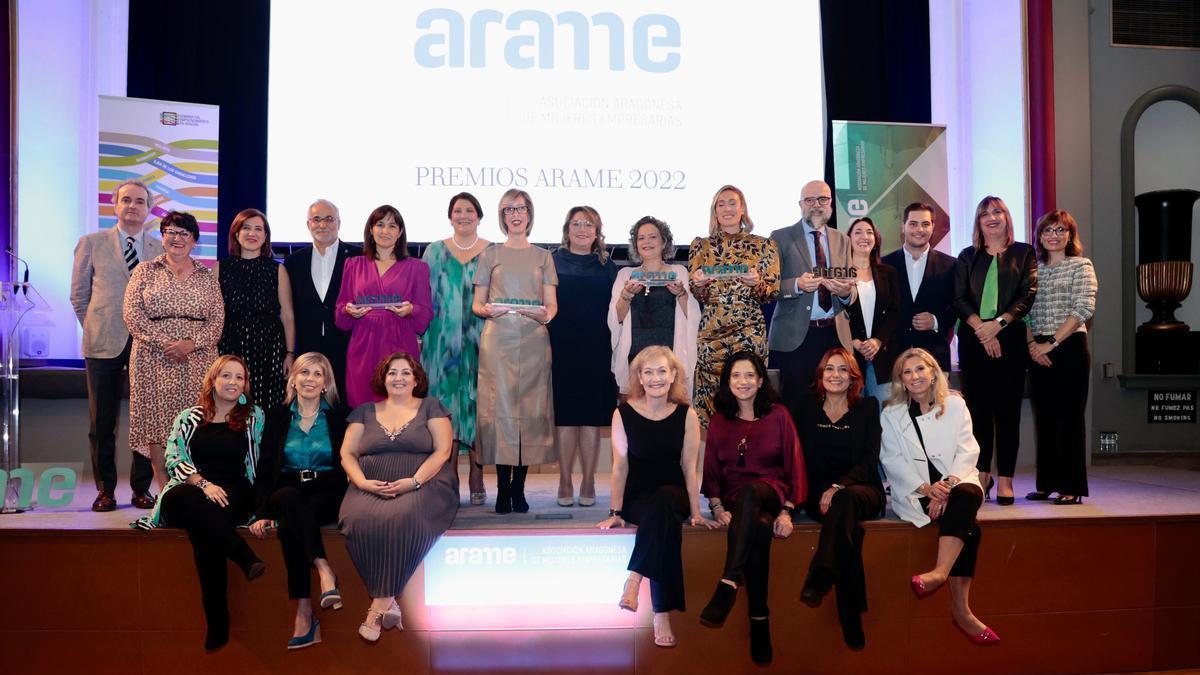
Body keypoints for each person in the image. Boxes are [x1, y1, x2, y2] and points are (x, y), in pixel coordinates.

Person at [132, 355, 266, 651]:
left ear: (245, 384)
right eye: (226, 376)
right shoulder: (189, 417)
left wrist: (260, 505)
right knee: (186, 498)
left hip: (233, 491)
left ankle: (217, 621)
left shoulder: (253, 416)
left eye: (239, 377)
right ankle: (243, 555)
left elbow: (257, 462)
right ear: (213, 381)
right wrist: (203, 483)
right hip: (192, 487)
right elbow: (173, 458)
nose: (233, 382)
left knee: (204, 529)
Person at [597, 346, 716, 649]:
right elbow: (619, 466)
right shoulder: (622, 413)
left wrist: (696, 512)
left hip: (673, 493)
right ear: (638, 376)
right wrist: (615, 510)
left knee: (664, 502)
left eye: (662, 371)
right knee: (661, 521)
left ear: (674, 374)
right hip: (638, 497)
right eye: (648, 372)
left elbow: (690, 469)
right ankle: (661, 612)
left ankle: (634, 579)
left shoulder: (686, 414)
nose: (655, 378)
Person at [880, 348, 999, 646]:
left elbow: (968, 450)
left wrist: (945, 486)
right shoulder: (891, 414)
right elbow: (891, 460)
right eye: (907, 372)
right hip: (917, 491)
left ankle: (939, 572)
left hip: (956, 482)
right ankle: (961, 609)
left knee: (968, 493)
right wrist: (926, 489)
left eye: (920, 369)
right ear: (901, 381)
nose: (915, 376)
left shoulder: (956, 405)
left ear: (933, 372)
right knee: (969, 524)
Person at [338, 352, 458, 642]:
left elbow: (443, 451)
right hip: (370, 482)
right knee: (355, 519)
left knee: (403, 516)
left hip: (425, 480)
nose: (399, 378)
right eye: (392, 372)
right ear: (383, 378)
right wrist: (363, 483)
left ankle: (378, 605)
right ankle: (388, 602)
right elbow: (347, 453)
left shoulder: (432, 408)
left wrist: (414, 482)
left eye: (406, 372)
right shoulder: (364, 412)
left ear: (416, 379)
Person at [698, 351, 804, 666]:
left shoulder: (779, 415)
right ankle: (759, 619)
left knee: (752, 495)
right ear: (727, 382)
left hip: (771, 491)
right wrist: (716, 507)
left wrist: (787, 510)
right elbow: (711, 469)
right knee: (756, 524)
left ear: (760, 381)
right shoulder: (719, 420)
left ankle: (729, 581)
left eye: (749, 376)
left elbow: (795, 465)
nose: (742, 382)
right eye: (735, 376)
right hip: (735, 497)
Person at [70, 179, 163, 511]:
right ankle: (105, 489)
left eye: (140, 201)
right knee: (102, 421)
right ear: (115, 205)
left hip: (147, 344)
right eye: (126, 200)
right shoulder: (91, 243)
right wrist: (97, 326)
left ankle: (141, 489)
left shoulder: (158, 249)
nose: (133, 206)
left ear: (148, 209)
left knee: (144, 420)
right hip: (102, 344)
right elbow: (79, 297)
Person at [249, 352, 351, 649]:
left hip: (326, 490)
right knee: (290, 500)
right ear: (293, 379)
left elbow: (347, 464)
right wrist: (262, 512)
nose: (309, 379)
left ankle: (305, 613)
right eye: (304, 372)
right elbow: (266, 467)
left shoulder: (338, 416)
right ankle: (324, 570)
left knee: (290, 526)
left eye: (317, 374)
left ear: (326, 383)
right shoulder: (278, 416)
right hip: (287, 488)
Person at [790, 348, 885, 650]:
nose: (835, 375)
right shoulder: (804, 406)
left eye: (843, 370)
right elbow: (794, 457)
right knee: (849, 531)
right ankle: (850, 613)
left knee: (844, 502)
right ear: (820, 375)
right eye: (829, 369)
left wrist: (839, 486)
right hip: (818, 494)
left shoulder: (867, 407)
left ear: (853, 377)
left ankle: (820, 574)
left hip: (861, 488)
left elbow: (870, 461)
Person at [472, 189, 558, 514]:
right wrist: (489, 310)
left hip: (535, 340)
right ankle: (502, 488)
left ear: (530, 214)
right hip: (498, 341)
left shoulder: (544, 257)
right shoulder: (489, 255)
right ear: (502, 216)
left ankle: (519, 488)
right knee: (499, 411)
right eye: (509, 209)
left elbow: (552, 307)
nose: (516, 214)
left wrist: (542, 314)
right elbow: (477, 304)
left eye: (521, 208)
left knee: (529, 410)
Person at [124, 211, 224, 489]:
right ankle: (165, 493)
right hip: (152, 357)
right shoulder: (145, 270)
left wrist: (190, 344)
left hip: (198, 359)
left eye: (184, 233)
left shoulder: (207, 275)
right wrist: (164, 343)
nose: (176, 238)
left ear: (194, 241)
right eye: (170, 231)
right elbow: (132, 314)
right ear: (163, 236)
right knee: (157, 426)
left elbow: (217, 320)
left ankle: (196, 489)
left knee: (196, 423)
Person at [953, 196, 1037, 504]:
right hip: (974, 341)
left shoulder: (1024, 253)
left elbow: (1027, 295)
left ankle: (1006, 479)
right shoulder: (967, 256)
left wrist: (998, 324)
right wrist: (982, 329)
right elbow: (959, 299)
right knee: (978, 412)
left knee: (1007, 412)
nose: (992, 217)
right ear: (978, 221)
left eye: (998, 211)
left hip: (1010, 340)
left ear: (1007, 217)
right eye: (985, 213)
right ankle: (981, 474)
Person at [688, 185, 780, 427]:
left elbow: (772, 292)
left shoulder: (764, 245)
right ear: (714, 211)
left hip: (749, 329)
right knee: (714, 402)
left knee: (750, 396)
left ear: (742, 209)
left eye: (732, 202)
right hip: (712, 334)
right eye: (721, 204)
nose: (727, 208)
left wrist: (756, 283)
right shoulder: (700, 246)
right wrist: (698, 284)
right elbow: (700, 294)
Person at [422, 192, 490, 505]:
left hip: (482, 341)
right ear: (450, 216)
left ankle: (477, 471)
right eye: (457, 210)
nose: (463, 215)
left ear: (479, 215)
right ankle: (448, 474)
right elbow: (424, 299)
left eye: (469, 210)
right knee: (444, 408)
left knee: (478, 407)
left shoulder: (492, 251)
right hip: (441, 344)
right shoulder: (434, 252)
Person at [1025, 210, 1097, 505]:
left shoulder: (1081, 266)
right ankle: (1047, 483)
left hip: (1068, 347)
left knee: (1069, 418)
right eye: (1047, 231)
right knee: (1044, 418)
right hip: (1036, 348)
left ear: (1070, 235)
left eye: (1060, 230)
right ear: (1039, 237)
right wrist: (1033, 345)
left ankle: (1072, 486)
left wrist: (1051, 343)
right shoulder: (1032, 269)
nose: (1053, 236)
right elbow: (1023, 311)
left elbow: (1083, 308)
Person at [549, 206, 619, 507]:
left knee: (590, 420)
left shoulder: (608, 265)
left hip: (597, 349)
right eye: (576, 223)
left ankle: (589, 480)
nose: (582, 229)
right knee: (565, 419)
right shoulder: (551, 262)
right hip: (561, 347)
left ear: (597, 231)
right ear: (567, 229)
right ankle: (565, 479)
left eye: (588, 224)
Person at [335, 205, 433, 407]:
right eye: (380, 224)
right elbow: (340, 313)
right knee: (364, 407)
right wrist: (348, 311)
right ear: (371, 230)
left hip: (400, 344)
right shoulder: (353, 265)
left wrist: (410, 310)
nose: (385, 231)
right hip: (363, 343)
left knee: (400, 405)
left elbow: (425, 314)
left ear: (400, 232)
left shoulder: (417, 267)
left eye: (392, 225)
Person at [769, 180, 856, 405]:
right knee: (796, 404)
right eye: (809, 200)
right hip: (796, 336)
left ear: (830, 205)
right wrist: (796, 284)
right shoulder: (780, 237)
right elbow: (768, 287)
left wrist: (845, 292)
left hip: (835, 334)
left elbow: (851, 289)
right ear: (800, 204)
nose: (816, 205)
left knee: (835, 402)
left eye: (822, 199)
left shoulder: (842, 240)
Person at [608, 216, 699, 397]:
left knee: (672, 412)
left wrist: (681, 294)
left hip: (670, 358)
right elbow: (614, 319)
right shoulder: (625, 275)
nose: (646, 242)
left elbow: (694, 318)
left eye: (653, 237)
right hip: (635, 357)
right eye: (641, 238)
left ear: (664, 242)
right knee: (636, 413)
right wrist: (626, 295)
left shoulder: (679, 272)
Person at [216, 208, 295, 410]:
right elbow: (213, 314)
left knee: (267, 404)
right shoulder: (219, 268)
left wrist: (289, 353)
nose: (252, 233)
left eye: (258, 229)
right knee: (231, 403)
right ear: (236, 233)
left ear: (265, 236)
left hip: (269, 346)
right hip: (230, 343)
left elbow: (287, 315)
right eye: (246, 228)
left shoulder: (277, 269)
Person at [283, 199, 361, 402]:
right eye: (316, 219)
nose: (322, 224)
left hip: (347, 347)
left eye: (329, 219)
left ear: (339, 223)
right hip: (307, 347)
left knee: (344, 405)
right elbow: (288, 310)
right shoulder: (293, 261)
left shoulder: (358, 257)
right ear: (308, 224)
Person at [881, 203, 957, 373]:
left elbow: (958, 306)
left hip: (935, 357)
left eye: (925, 224)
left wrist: (936, 321)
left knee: (936, 401)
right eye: (913, 224)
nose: (919, 229)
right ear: (903, 226)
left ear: (933, 227)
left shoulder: (951, 265)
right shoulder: (884, 265)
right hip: (894, 358)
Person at [838, 217, 900, 400]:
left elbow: (895, 311)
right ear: (848, 238)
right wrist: (855, 340)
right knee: (853, 414)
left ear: (876, 240)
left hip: (881, 356)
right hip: (849, 354)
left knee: (884, 415)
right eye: (858, 232)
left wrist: (878, 341)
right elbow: (836, 310)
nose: (864, 236)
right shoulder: (839, 272)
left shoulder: (888, 272)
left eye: (869, 232)